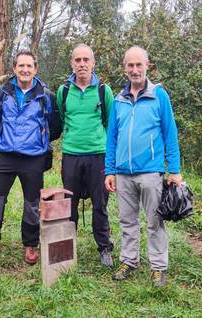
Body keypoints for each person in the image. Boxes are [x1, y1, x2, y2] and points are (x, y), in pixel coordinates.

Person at [104, 46, 182, 287]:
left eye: (139, 65)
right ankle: (129, 260)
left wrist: (175, 170)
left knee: (154, 221)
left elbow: (170, 133)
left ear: (148, 65)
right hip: (123, 173)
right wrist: (109, 170)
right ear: (124, 68)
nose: (135, 70)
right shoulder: (118, 99)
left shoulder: (159, 95)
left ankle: (158, 267)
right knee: (127, 221)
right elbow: (112, 138)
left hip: (151, 171)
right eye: (130, 65)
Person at [0, 50, 61, 265]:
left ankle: (30, 245)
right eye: (21, 66)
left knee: (32, 204)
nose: (25, 70)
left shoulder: (46, 96)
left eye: (29, 66)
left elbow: (55, 126)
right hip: (5, 155)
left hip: (33, 158)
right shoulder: (3, 93)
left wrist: (37, 140)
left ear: (35, 69)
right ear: (14, 68)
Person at [56, 44, 115, 267]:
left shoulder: (103, 90)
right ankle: (66, 248)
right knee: (68, 204)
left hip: (98, 155)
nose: (82, 64)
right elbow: (62, 118)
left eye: (85, 60)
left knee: (100, 204)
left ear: (92, 63)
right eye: (77, 60)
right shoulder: (63, 91)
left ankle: (104, 247)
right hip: (71, 155)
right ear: (72, 64)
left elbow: (110, 122)